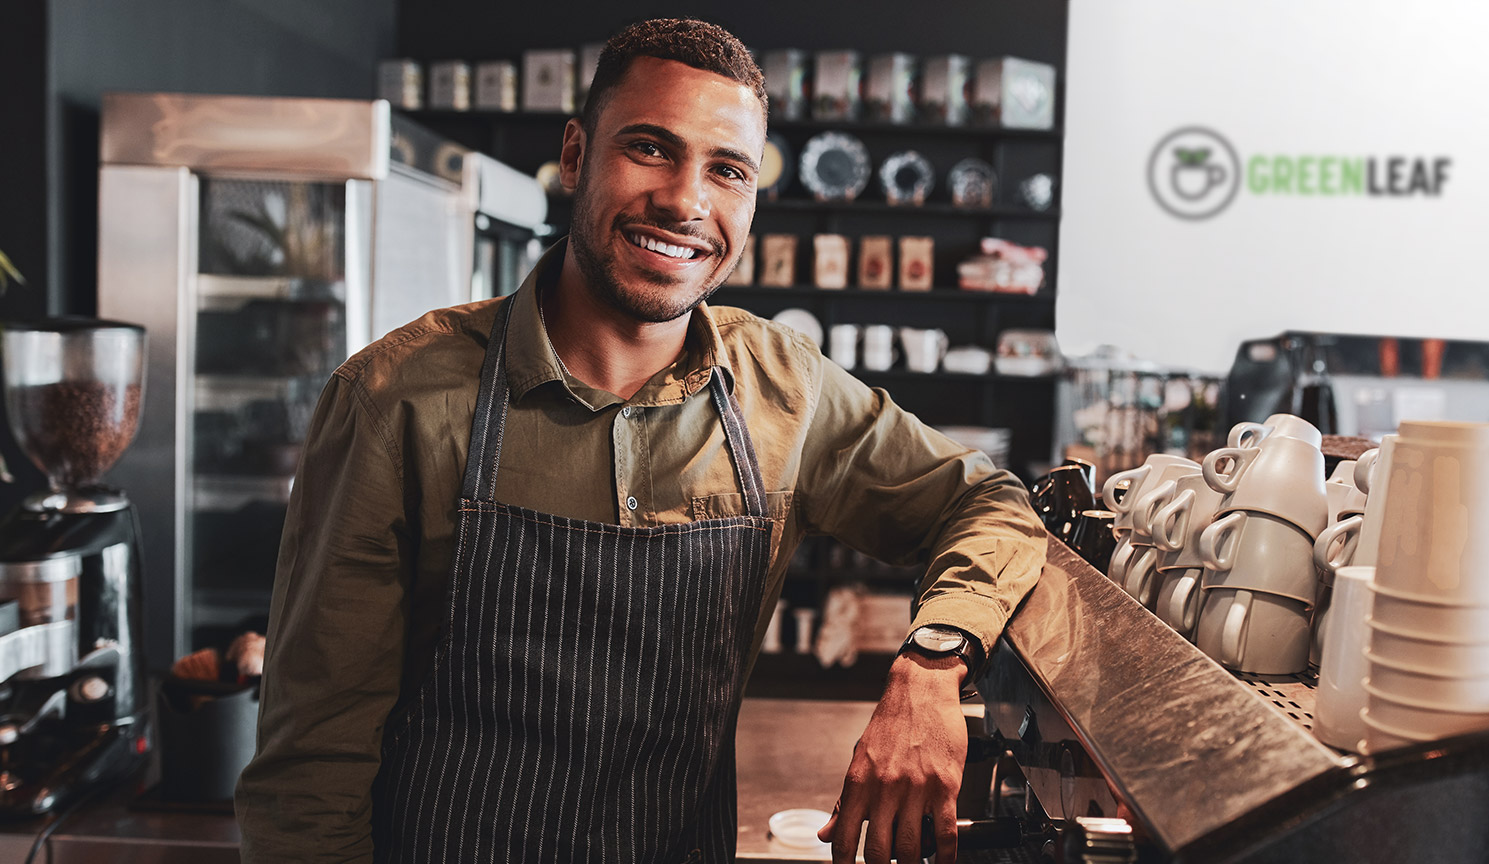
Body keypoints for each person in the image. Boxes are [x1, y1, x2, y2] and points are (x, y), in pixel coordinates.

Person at [236, 17, 1047, 864]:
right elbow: (312, 770)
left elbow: (985, 501)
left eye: (726, 170)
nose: (687, 201)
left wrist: (930, 665)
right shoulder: (394, 400)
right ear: (578, 155)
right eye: (652, 148)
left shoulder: (785, 391)